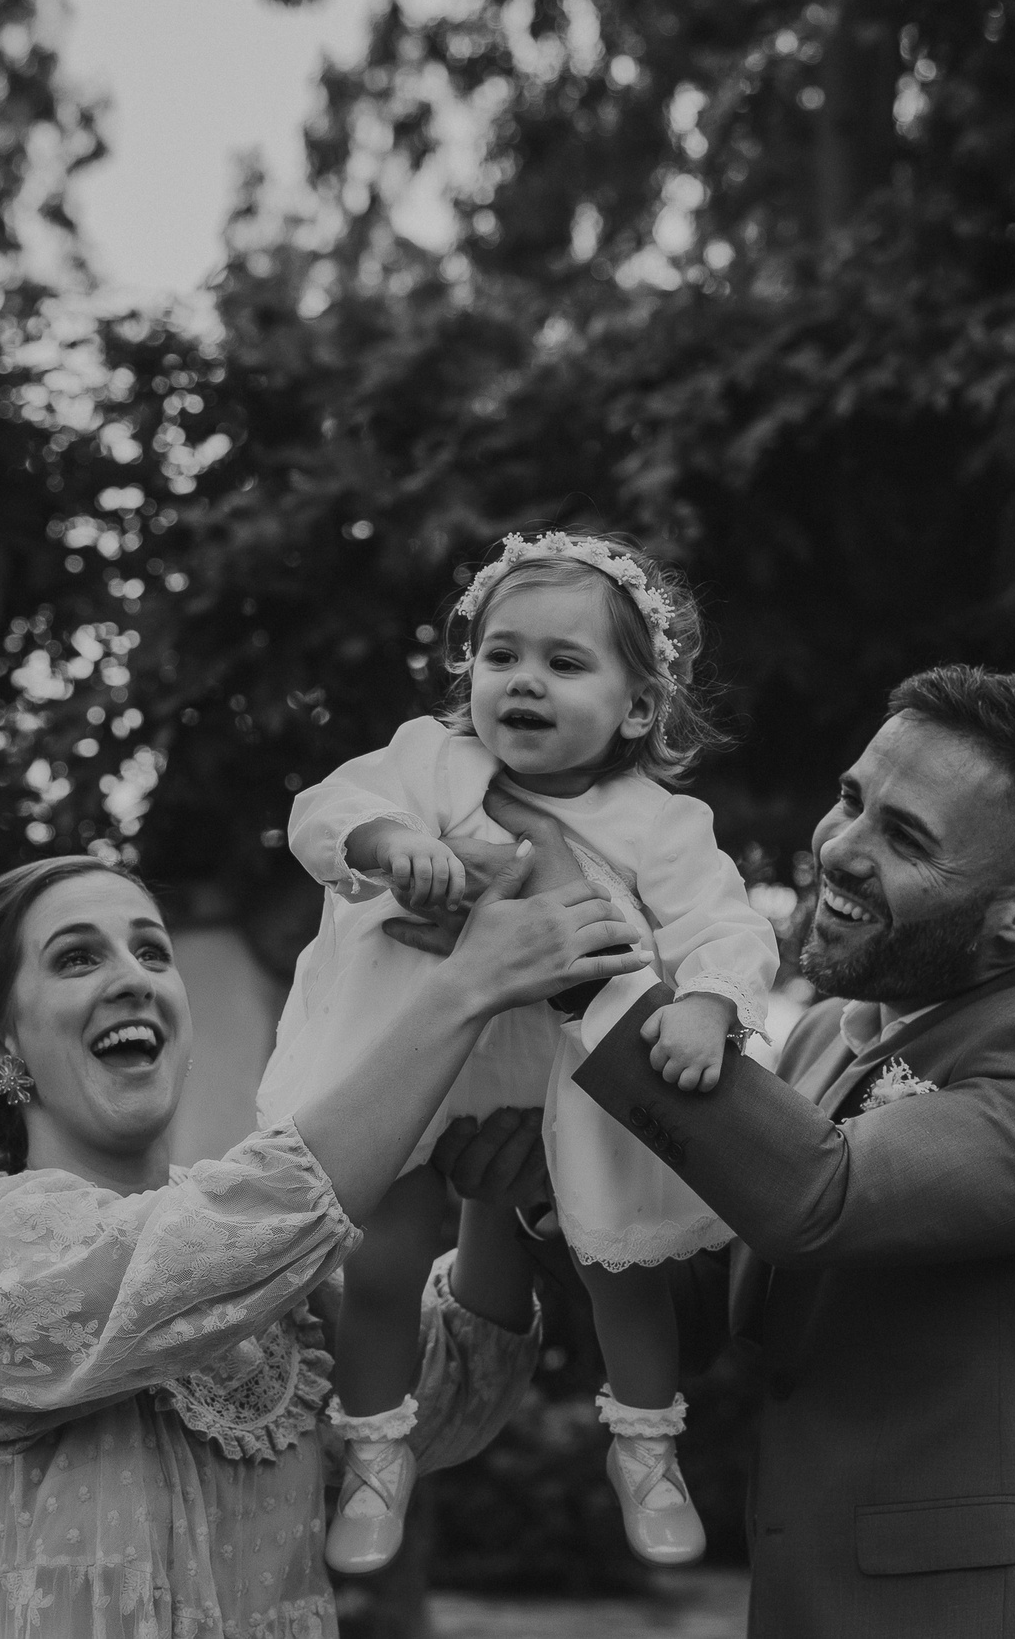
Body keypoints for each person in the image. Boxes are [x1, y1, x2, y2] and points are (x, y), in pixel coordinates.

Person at [443, 665, 1015, 1639]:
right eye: (851, 800)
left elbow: (818, 1196)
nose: (840, 849)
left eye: (906, 838)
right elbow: (711, 1306)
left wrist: (591, 981)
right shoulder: (825, 1036)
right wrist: (553, 1184)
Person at [0, 849, 643, 1639]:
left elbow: (443, 1400)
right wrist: (460, 989)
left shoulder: (272, 1276)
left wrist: (496, 1179)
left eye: (152, 951)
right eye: (76, 957)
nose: (133, 976)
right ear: (4, 1046)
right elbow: (215, 1239)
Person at [254, 531, 778, 1575]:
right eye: (500, 657)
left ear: (636, 708)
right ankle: (373, 1457)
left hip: (560, 1080)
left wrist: (710, 1004)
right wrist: (383, 844)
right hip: (414, 1055)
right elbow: (325, 808)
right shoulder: (430, 760)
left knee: (614, 1254)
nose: (522, 682)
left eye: (563, 663)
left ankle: (645, 1444)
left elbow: (729, 928)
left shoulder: (661, 822)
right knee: (383, 1258)